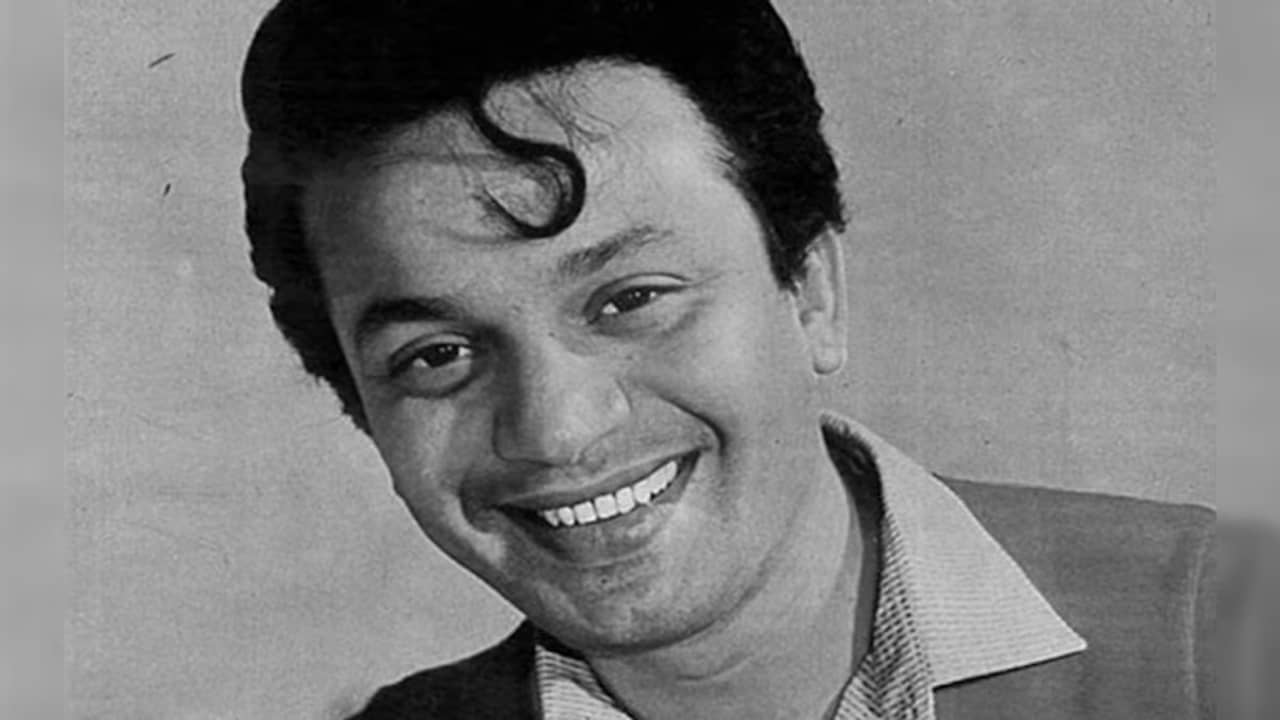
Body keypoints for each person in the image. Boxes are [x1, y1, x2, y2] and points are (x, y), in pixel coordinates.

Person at [239, 1, 1216, 717]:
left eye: (629, 300)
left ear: (810, 291)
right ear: (361, 404)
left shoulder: (1223, 631)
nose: (556, 430)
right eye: (439, 354)